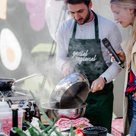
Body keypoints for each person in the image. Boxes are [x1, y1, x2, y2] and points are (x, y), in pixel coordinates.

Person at [56, 0, 123, 132]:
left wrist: (104, 78)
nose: (76, 17)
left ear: (90, 5)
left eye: (80, 11)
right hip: (74, 97)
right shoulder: (65, 28)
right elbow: (59, 58)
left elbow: (118, 62)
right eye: (72, 12)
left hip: (100, 97)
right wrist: (64, 65)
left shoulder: (108, 27)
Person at [110, 0, 136, 135]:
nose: (115, 18)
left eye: (117, 12)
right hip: (132, 100)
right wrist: (126, 59)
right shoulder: (133, 33)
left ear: (130, 9)